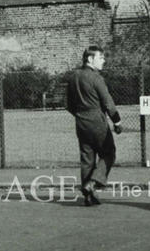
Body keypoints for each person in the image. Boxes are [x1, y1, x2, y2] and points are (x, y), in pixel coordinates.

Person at [66, 45, 122, 206]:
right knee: (109, 153)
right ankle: (94, 182)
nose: (103, 60)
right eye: (101, 57)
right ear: (90, 59)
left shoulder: (74, 76)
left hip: (81, 122)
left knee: (87, 158)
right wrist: (117, 122)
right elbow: (108, 102)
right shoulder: (96, 78)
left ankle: (88, 195)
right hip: (97, 121)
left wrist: (80, 114)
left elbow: (68, 104)